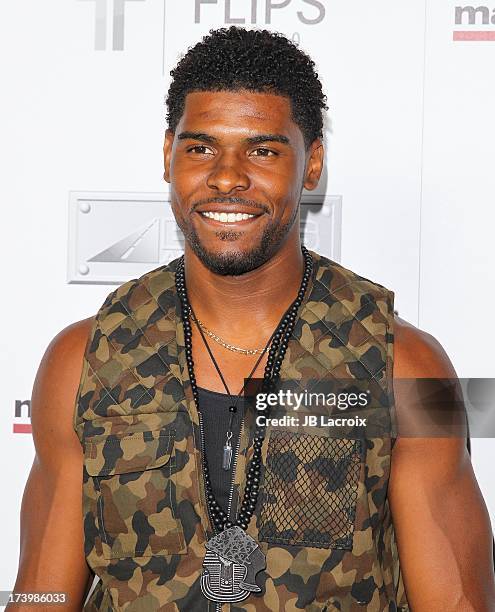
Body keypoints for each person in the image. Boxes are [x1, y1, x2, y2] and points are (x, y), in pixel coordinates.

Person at [9, 26, 495, 611]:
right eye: (201, 147)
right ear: (168, 156)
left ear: (312, 164)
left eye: (262, 150)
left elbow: (460, 603)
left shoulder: (408, 367)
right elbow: (39, 591)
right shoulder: (82, 362)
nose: (227, 177)